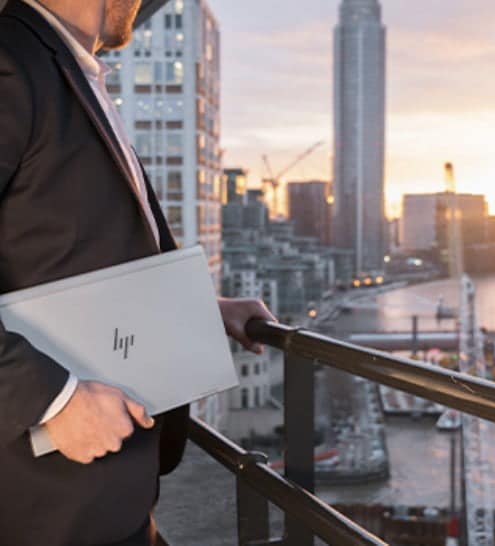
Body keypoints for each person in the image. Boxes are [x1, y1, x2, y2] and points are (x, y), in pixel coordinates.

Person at [0, 0, 275, 544]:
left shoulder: (64, 68)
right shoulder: (12, 64)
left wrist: (201, 310)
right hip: (44, 504)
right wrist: (52, 398)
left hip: (106, 494)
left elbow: (73, 251)